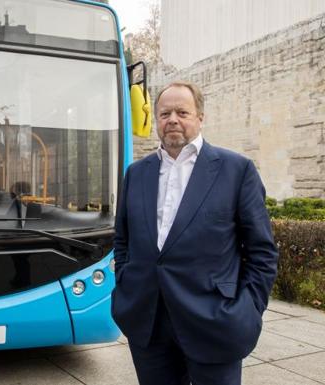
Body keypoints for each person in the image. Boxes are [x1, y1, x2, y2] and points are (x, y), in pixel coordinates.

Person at [111, 81, 278, 385]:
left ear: (200, 117)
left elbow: (262, 251)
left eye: (182, 112)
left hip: (214, 322)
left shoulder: (236, 170)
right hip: (147, 323)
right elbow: (123, 240)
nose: (172, 119)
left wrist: (248, 308)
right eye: (164, 113)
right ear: (157, 121)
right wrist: (124, 283)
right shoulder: (136, 173)